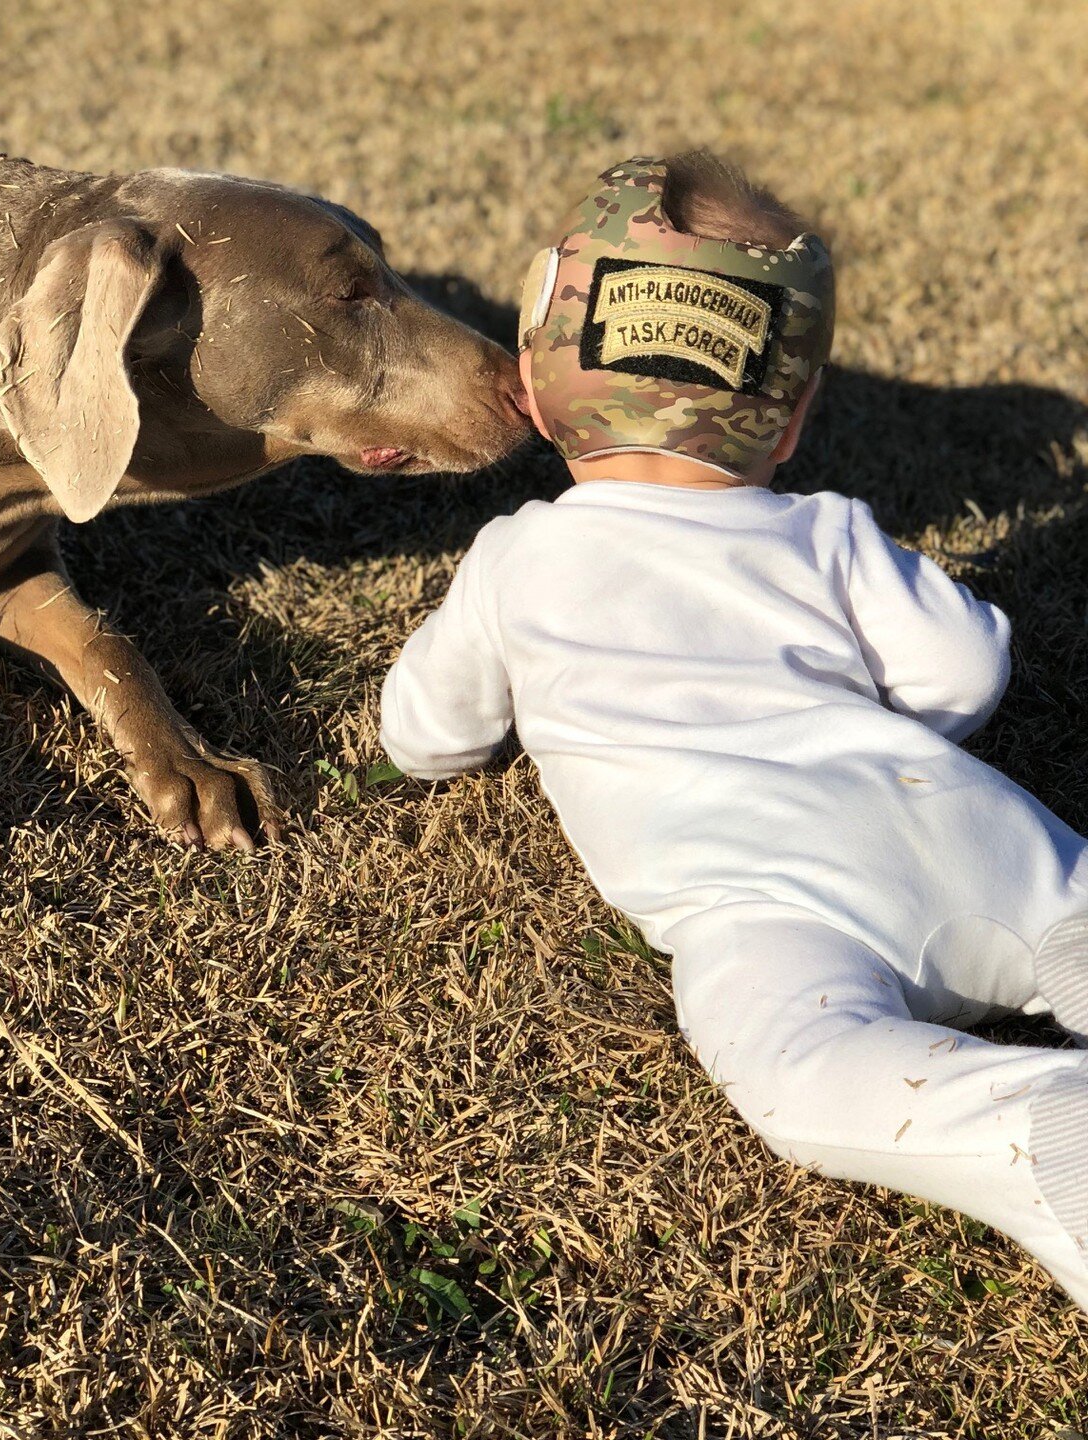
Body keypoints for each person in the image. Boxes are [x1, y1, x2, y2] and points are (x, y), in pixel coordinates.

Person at [379, 153, 1088, 1308]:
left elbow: (423, 734)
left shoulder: (519, 556)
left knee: (804, 1073)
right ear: (793, 416)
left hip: (770, 901)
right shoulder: (827, 532)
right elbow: (966, 669)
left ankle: (1035, 1127)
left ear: (537, 382)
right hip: (968, 829)